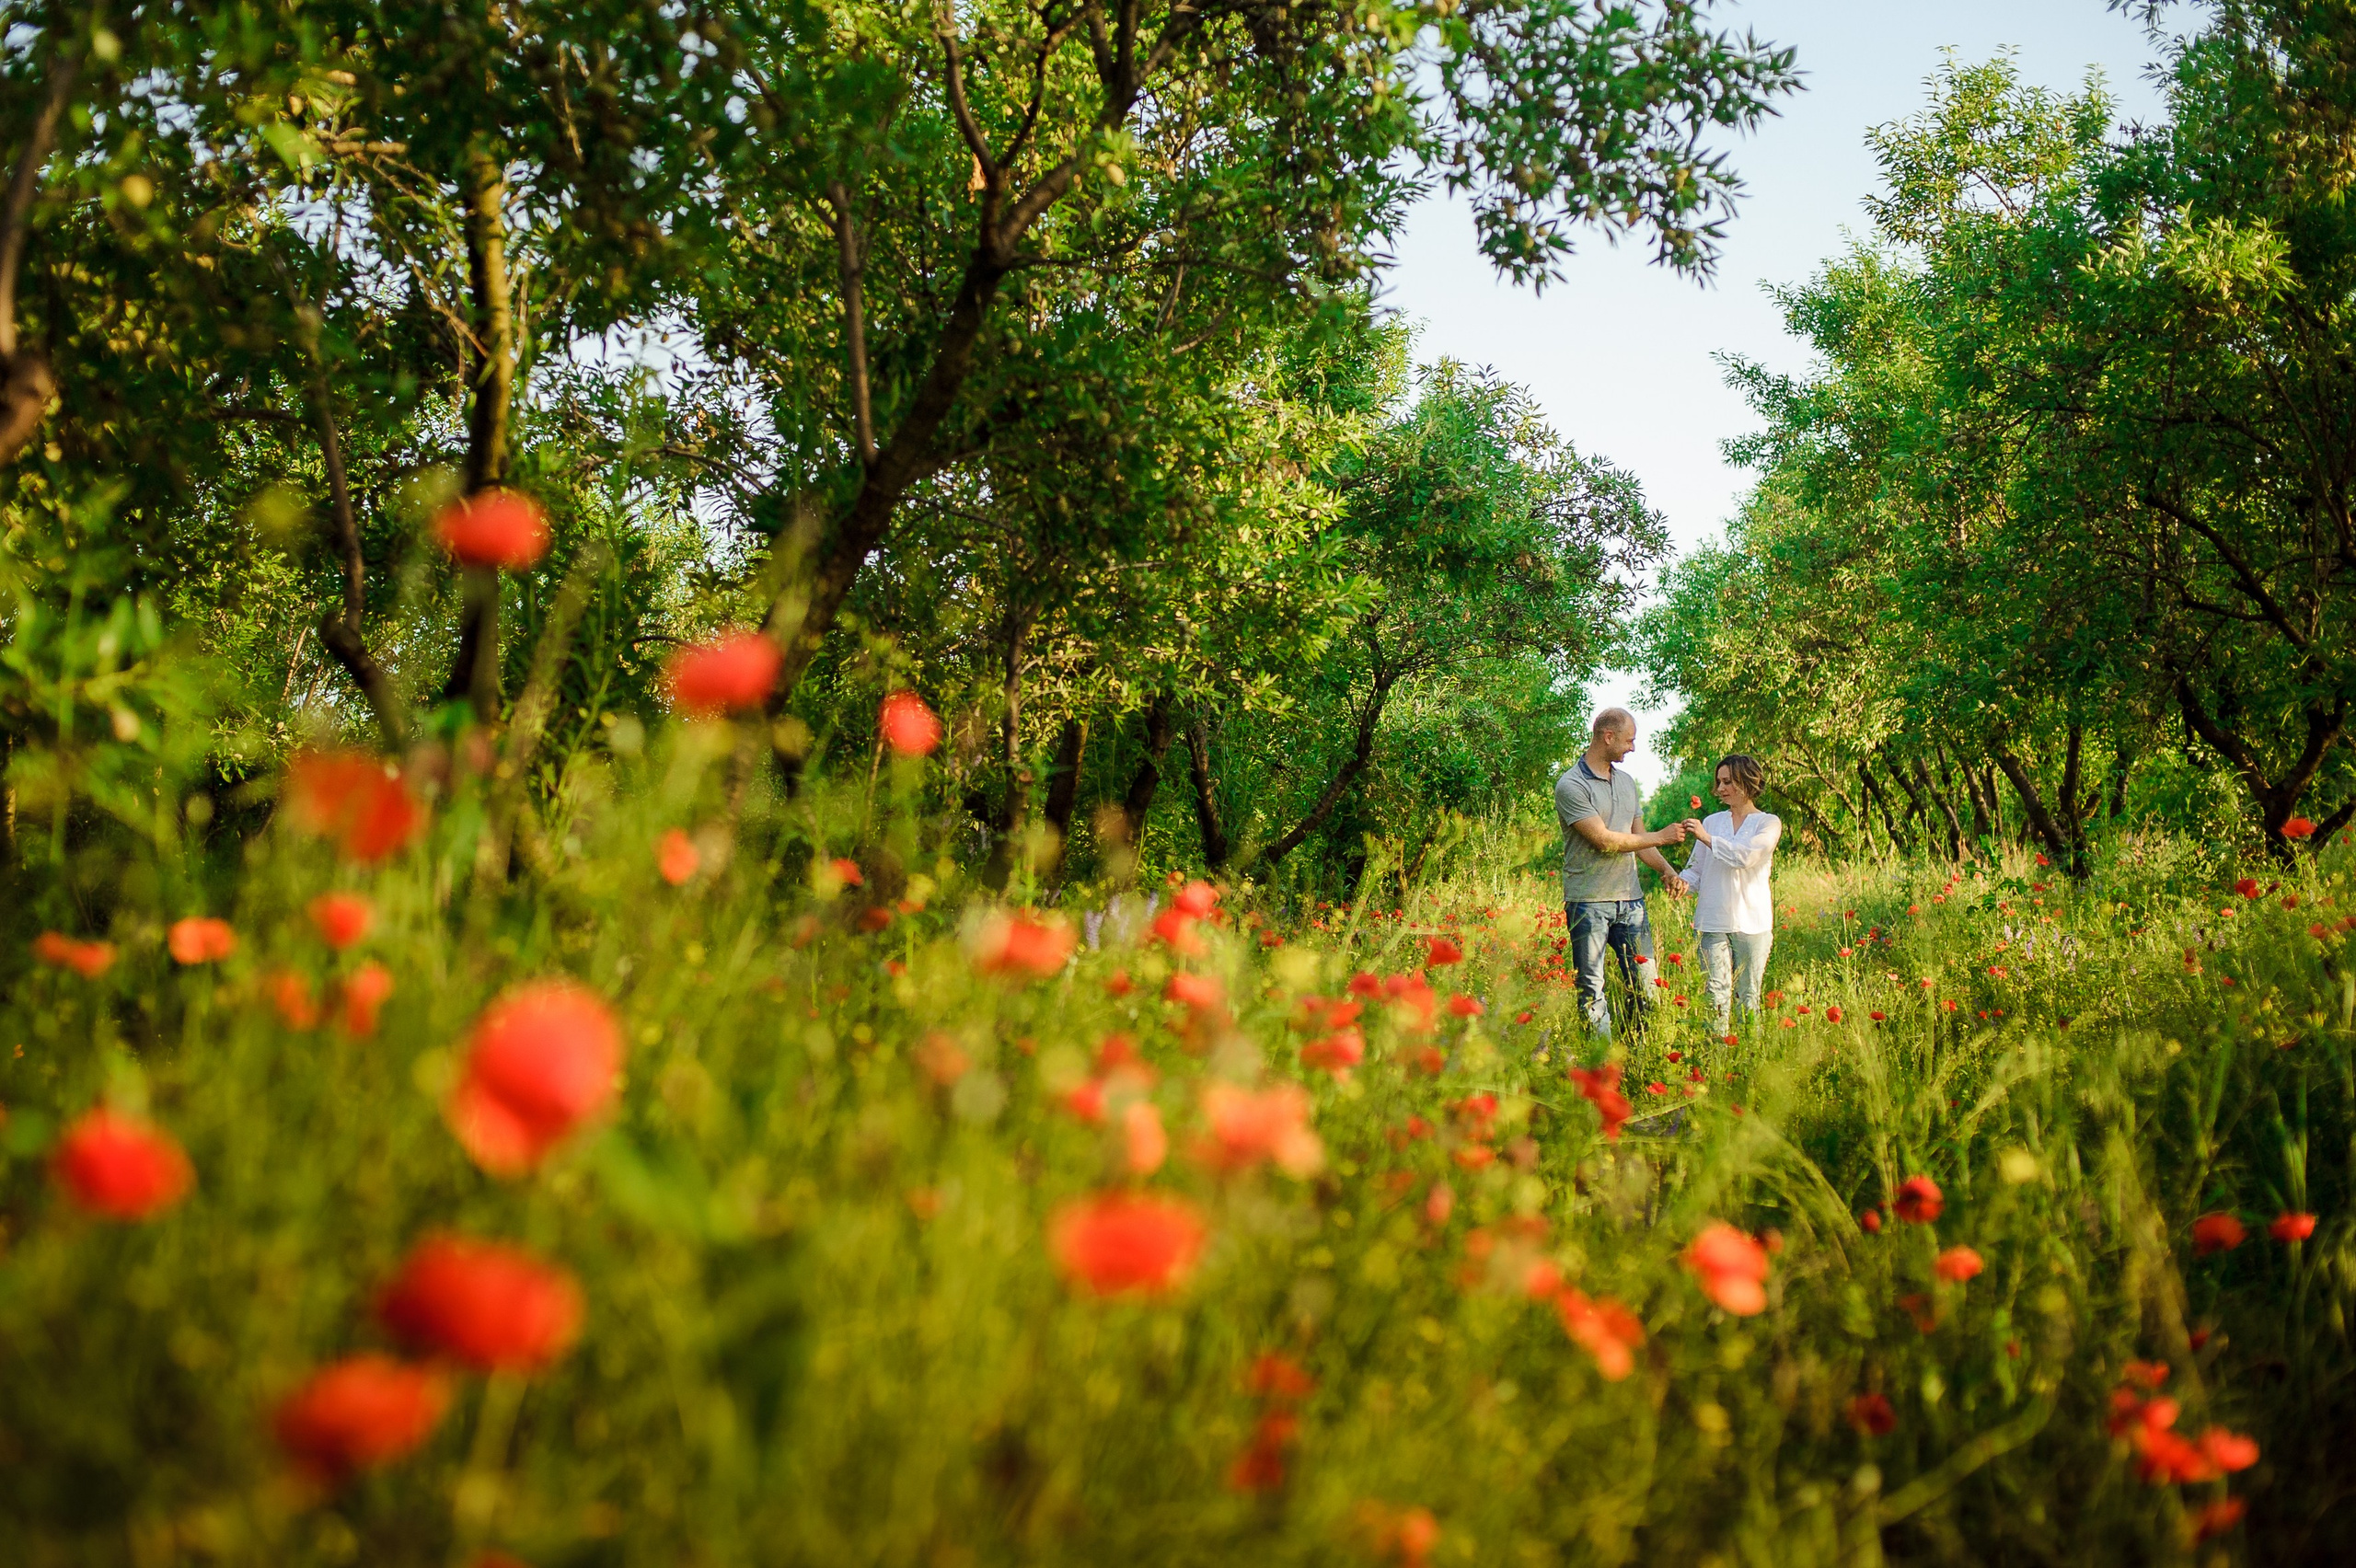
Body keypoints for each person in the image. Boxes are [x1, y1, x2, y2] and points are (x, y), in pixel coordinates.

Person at [1554, 709, 1688, 1042]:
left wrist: (1668, 871)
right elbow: (1605, 840)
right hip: (1588, 904)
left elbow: (1639, 842)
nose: (1632, 748)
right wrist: (1664, 835)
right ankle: (1602, 1071)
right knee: (1592, 993)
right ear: (1608, 737)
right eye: (1629, 740)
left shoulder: (1627, 782)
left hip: (1631, 903)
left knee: (1646, 987)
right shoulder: (1571, 785)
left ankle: (1638, 1056)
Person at [1678, 754, 1781, 1031]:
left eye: (1728, 782)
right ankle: (1715, 1062)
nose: (1721, 788)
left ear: (1748, 782)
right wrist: (1680, 882)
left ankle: (1749, 1060)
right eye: (1719, 782)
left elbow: (1746, 857)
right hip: (1712, 920)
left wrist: (1707, 838)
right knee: (1714, 996)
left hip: (1752, 923)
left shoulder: (1768, 823)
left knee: (1747, 997)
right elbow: (1696, 869)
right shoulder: (1711, 822)